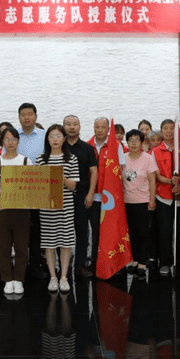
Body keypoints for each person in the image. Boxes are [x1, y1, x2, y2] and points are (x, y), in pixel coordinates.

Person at [35, 124, 80, 293]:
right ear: (47, 139)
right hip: (47, 207)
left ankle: (64, 277)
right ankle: (53, 276)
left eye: (58, 136)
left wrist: (62, 177)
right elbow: (36, 185)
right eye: (52, 136)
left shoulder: (71, 158)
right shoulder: (41, 159)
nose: (55, 139)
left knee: (65, 242)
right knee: (49, 242)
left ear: (64, 139)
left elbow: (73, 186)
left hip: (66, 206)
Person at [0, 127, 32, 295]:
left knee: (21, 245)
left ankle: (19, 278)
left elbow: (32, 186)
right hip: (3, 208)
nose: (10, 142)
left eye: (13, 139)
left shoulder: (26, 161)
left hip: (22, 209)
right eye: (7, 139)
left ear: (18, 141)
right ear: (2, 142)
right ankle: (7, 278)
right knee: (4, 245)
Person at [86, 117, 126, 277]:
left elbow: (121, 169)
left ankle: (115, 262)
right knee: (95, 231)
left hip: (110, 198)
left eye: (103, 127)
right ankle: (95, 262)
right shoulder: (87, 146)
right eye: (97, 127)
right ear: (93, 128)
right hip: (94, 196)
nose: (100, 130)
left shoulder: (116, 145)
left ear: (108, 129)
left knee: (111, 231)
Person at [153, 118, 180, 276]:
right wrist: (170, 182)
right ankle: (165, 262)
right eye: (166, 128)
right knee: (164, 231)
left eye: (172, 128)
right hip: (163, 197)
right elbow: (156, 175)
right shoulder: (155, 151)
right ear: (161, 131)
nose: (169, 131)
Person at [63, 115, 98, 278]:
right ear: (63, 127)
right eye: (68, 124)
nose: (72, 127)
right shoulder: (58, 147)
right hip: (62, 195)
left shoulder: (87, 148)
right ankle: (63, 264)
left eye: (75, 124)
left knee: (82, 231)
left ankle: (80, 264)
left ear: (79, 127)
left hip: (82, 195)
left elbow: (94, 172)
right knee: (62, 231)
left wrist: (90, 193)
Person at [17, 103, 48, 279]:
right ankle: (21, 266)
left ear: (36, 116)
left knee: (37, 228)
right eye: (23, 114)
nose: (27, 117)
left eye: (30, 114)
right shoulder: (13, 136)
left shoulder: (45, 136)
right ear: (19, 117)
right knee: (21, 229)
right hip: (19, 188)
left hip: (40, 188)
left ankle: (36, 265)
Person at [122, 129, 157, 279]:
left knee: (143, 233)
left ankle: (142, 262)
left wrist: (152, 199)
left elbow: (152, 180)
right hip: (127, 201)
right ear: (127, 142)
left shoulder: (148, 158)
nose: (134, 143)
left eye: (137, 140)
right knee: (132, 233)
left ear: (142, 142)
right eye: (131, 140)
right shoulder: (123, 158)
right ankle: (135, 260)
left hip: (143, 201)